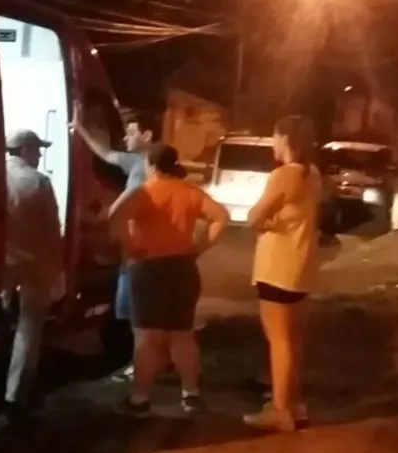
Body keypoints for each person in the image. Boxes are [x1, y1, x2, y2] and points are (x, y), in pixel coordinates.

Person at [107, 142, 229, 418]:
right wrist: (198, 247)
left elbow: (114, 216)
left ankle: (140, 400)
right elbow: (221, 217)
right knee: (183, 335)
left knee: (147, 338)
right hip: (183, 269)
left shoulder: (144, 193)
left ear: (150, 165)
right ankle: (191, 396)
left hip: (148, 268)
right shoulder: (190, 192)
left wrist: (129, 247)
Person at [244, 115, 322, 432]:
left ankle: (279, 410)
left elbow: (253, 216)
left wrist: (266, 222)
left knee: (278, 339)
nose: (273, 143)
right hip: (302, 264)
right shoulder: (312, 174)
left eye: (275, 137)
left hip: (277, 266)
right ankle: (293, 402)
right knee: (294, 339)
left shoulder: (283, 175)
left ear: (288, 140)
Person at [71, 106, 153, 381]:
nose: (126, 137)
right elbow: (105, 153)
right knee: (130, 309)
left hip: (141, 252)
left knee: (139, 312)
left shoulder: (152, 169)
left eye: (131, 132)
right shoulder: (134, 162)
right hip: (130, 251)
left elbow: (124, 208)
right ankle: (148, 361)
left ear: (148, 135)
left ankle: (142, 367)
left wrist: (98, 219)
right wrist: (80, 127)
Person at [2, 129, 65, 419]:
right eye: (37, 149)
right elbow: (53, 231)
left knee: (1, 324)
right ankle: (17, 395)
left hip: (0, 265)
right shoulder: (38, 182)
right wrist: (59, 270)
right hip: (33, 266)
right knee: (29, 331)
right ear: (25, 150)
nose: (39, 155)